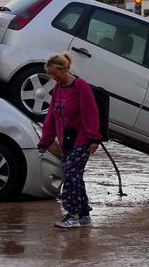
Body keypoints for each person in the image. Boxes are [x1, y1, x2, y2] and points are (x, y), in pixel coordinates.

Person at [37, 52, 101, 229]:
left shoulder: (81, 86)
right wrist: (45, 141)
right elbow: (51, 116)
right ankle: (84, 215)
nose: (53, 77)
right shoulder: (57, 89)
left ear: (64, 69)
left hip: (82, 140)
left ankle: (71, 213)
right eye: (50, 74)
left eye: (54, 73)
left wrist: (94, 139)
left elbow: (90, 114)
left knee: (71, 174)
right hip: (66, 141)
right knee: (76, 177)